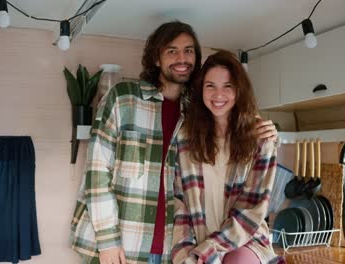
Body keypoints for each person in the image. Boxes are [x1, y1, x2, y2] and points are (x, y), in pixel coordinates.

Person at [69, 21, 278, 264]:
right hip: (121, 246)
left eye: (189, 50)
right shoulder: (123, 98)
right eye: (172, 50)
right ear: (156, 58)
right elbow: (96, 171)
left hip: (171, 250)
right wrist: (107, 241)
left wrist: (270, 132)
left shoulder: (196, 115)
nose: (182, 58)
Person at [171, 50, 284, 264]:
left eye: (227, 86)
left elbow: (251, 211)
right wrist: (186, 255)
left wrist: (209, 252)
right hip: (199, 243)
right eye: (210, 86)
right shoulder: (185, 136)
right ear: (201, 90)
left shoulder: (260, 138)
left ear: (239, 90)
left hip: (244, 243)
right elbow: (180, 204)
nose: (218, 94)